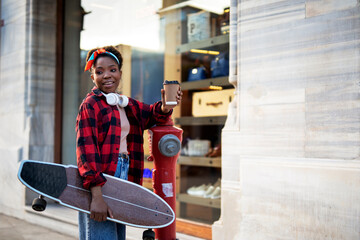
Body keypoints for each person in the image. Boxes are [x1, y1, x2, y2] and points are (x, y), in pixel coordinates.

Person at [76, 46, 182, 240]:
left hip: (125, 174)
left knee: (117, 235)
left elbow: (152, 114)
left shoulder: (125, 104)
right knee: (101, 234)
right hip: (102, 178)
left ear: (120, 73)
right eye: (99, 71)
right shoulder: (90, 105)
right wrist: (96, 196)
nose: (107, 75)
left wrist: (166, 105)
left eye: (112, 69)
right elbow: (86, 152)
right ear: (93, 77)